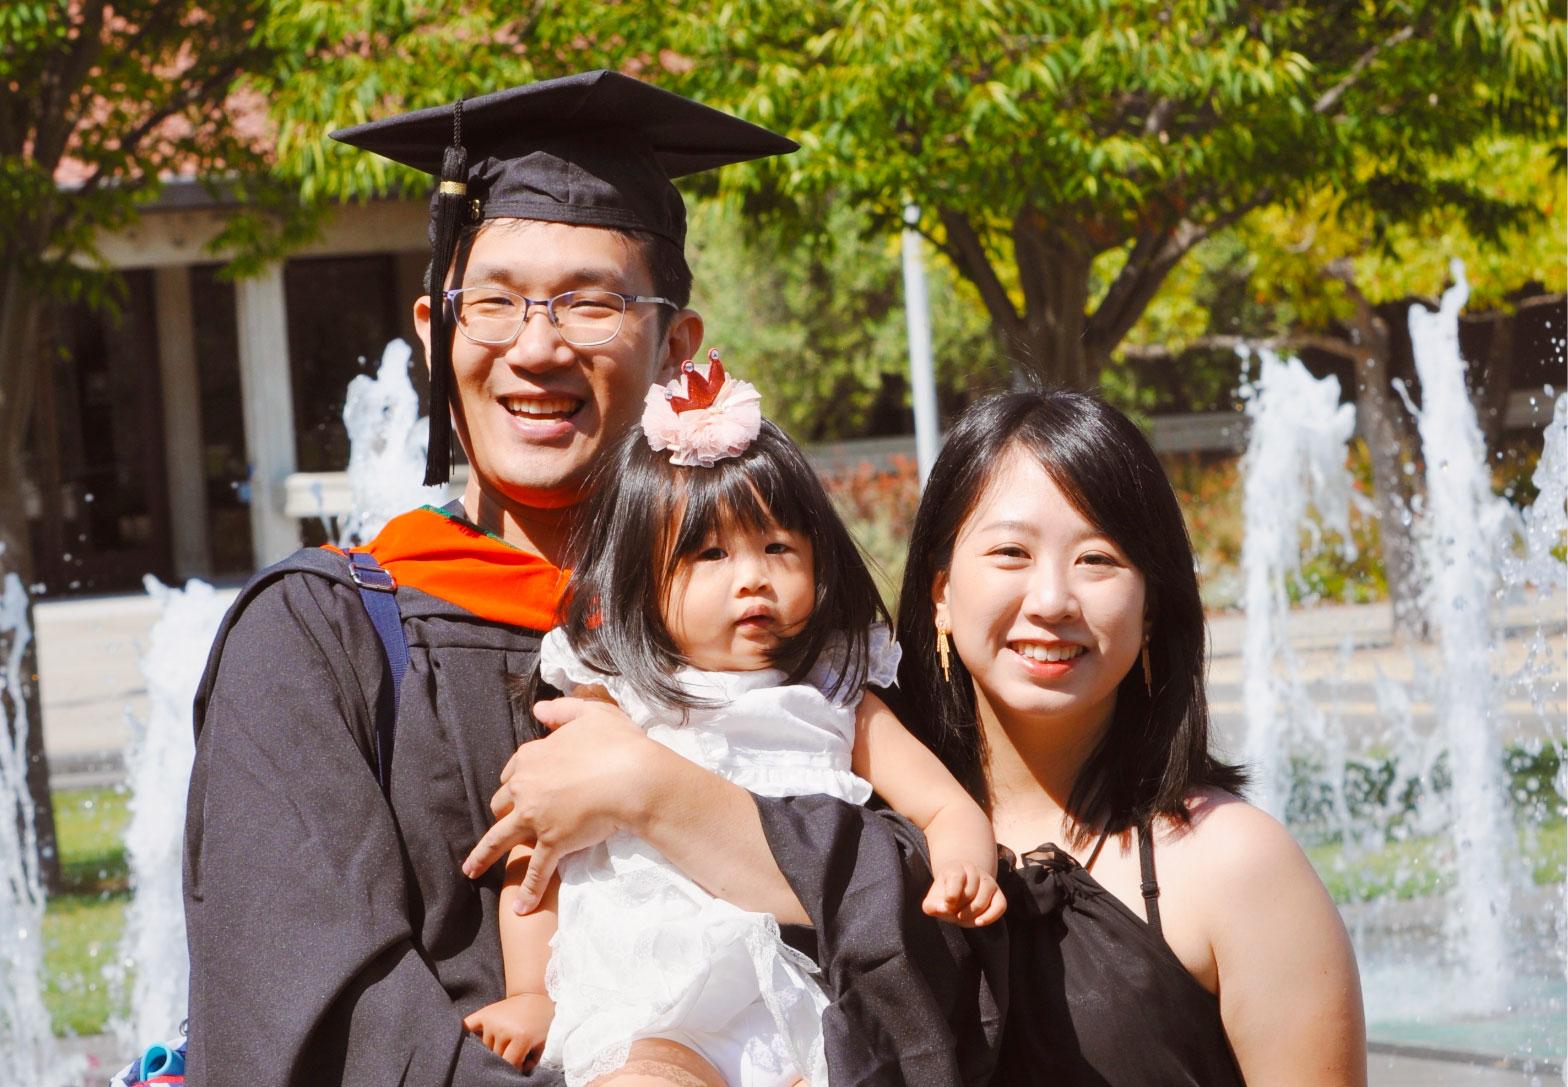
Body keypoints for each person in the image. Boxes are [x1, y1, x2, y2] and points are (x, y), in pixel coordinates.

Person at [181, 71, 825, 1086]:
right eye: (495, 304)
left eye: (590, 302)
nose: (534, 348)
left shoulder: (776, 634)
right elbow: (319, 1005)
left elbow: (904, 913)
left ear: (677, 349)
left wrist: (668, 798)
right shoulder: (317, 637)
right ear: (437, 336)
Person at [461, 356, 1003, 1085]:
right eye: (710, 553)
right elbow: (536, 844)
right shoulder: (616, 698)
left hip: (807, 994)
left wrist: (967, 863)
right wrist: (531, 990)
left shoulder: (838, 693)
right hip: (655, 997)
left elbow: (942, 804)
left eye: (779, 547)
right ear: (642, 582)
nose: (753, 576)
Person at [888, 390, 1368, 1085]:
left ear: (1149, 610)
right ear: (940, 594)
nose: (1053, 599)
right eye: (1012, 551)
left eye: (1098, 558)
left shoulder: (1235, 865)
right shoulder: (865, 831)